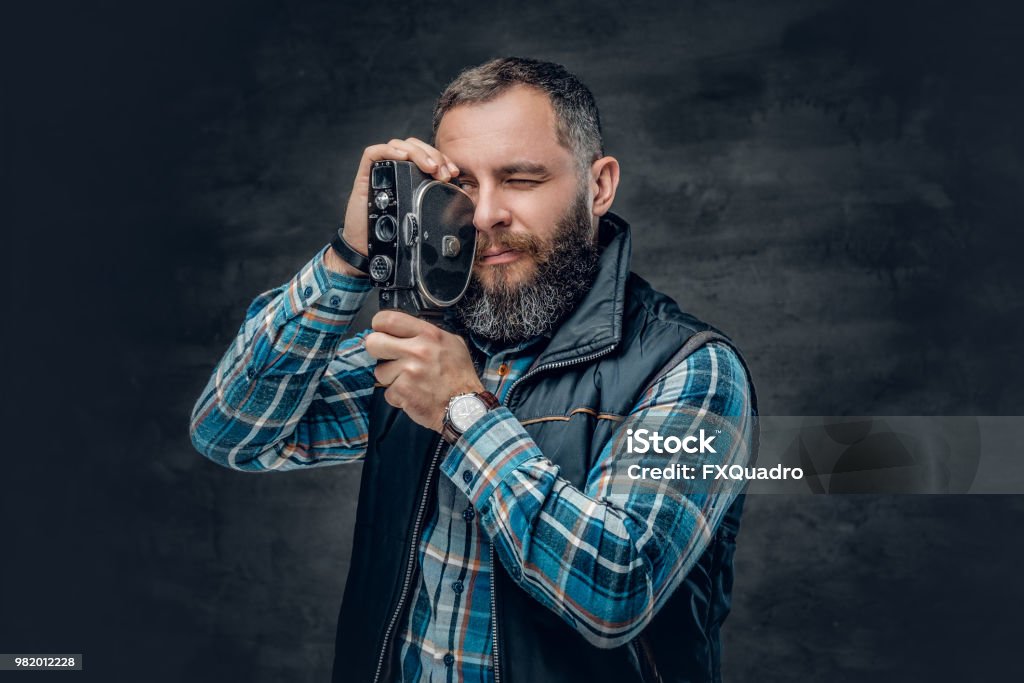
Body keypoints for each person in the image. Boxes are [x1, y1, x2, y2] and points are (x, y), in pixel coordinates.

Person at [190, 57, 757, 683]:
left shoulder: (691, 370)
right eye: (461, 185)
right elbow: (232, 433)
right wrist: (351, 255)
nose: (484, 215)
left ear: (599, 186)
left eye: (519, 179)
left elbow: (614, 594)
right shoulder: (433, 343)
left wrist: (465, 412)